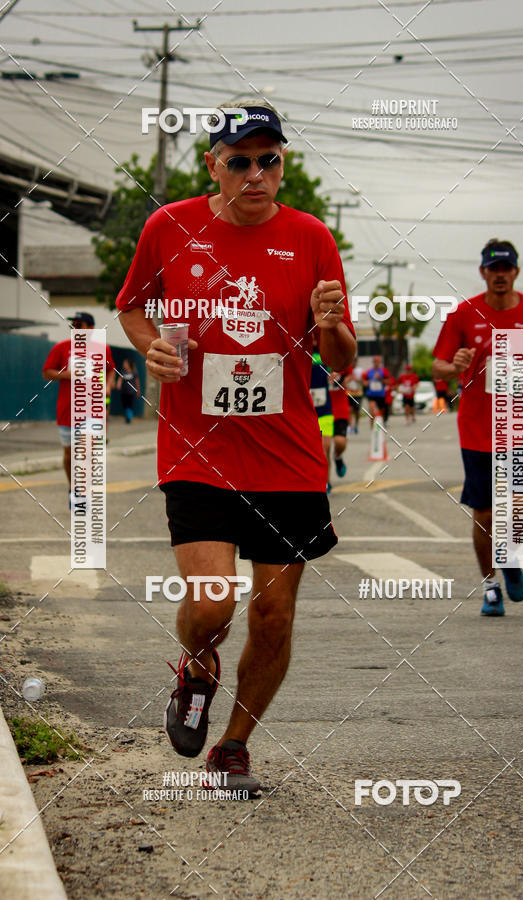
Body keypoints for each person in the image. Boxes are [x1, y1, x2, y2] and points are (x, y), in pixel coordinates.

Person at [116, 101, 356, 792]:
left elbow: (340, 357)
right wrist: (152, 346)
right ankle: (197, 665)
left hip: (288, 458)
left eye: (269, 160)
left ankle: (234, 744)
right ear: (212, 164)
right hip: (199, 450)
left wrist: (331, 325)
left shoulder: (311, 238)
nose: (256, 174)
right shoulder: (170, 227)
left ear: (283, 165)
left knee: (273, 614)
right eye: (240, 160)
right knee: (215, 602)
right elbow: (132, 304)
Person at [433, 238, 523, 617]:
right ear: (483, 272)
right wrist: (455, 366)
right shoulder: (463, 315)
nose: (499, 275)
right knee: (485, 515)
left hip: (521, 427)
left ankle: (512, 558)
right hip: (477, 431)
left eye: (506, 268)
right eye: (493, 269)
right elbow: (438, 366)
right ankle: (490, 586)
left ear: (515, 272)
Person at [42, 312, 115, 508]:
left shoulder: (103, 349)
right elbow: (46, 372)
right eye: (73, 324)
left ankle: (81, 493)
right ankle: (72, 486)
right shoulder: (61, 347)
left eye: (79, 324)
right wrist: (67, 374)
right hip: (67, 411)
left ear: (91, 327)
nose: (75, 327)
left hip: (93, 410)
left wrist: (107, 386)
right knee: (69, 456)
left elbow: (110, 371)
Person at [310, 343, 334, 493]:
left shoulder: (326, 351)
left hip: (324, 410)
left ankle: (327, 482)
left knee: (325, 449)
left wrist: (336, 375)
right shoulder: (299, 348)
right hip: (306, 411)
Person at [328, 368, 351, 476]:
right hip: (322, 409)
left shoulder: (341, 361)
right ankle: (326, 483)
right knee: (324, 448)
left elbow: (350, 376)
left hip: (340, 409)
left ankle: (338, 456)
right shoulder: (315, 359)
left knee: (340, 442)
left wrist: (340, 378)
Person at [363, 355, 390, 423]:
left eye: (377, 361)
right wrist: (366, 383)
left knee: (381, 413)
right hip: (371, 394)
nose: (376, 363)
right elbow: (364, 381)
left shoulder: (384, 371)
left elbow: (388, 382)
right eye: (375, 361)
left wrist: (380, 378)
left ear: (380, 362)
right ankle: (372, 426)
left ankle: (382, 423)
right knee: (372, 411)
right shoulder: (369, 371)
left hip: (381, 395)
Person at [116, 358, 140, 423]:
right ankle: (127, 416)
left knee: (130, 404)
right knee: (125, 404)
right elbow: (120, 379)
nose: (124, 364)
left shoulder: (134, 372)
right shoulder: (123, 372)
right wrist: (118, 384)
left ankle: (129, 417)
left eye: (125, 363)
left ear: (128, 364)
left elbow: (137, 381)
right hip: (124, 391)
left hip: (131, 391)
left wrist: (138, 390)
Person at [346, 362, 364, 433]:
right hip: (349, 393)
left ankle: (356, 426)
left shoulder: (360, 371)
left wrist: (355, 378)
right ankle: (349, 426)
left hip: (358, 393)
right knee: (349, 410)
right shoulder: (346, 370)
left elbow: (363, 381)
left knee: (357, 411)